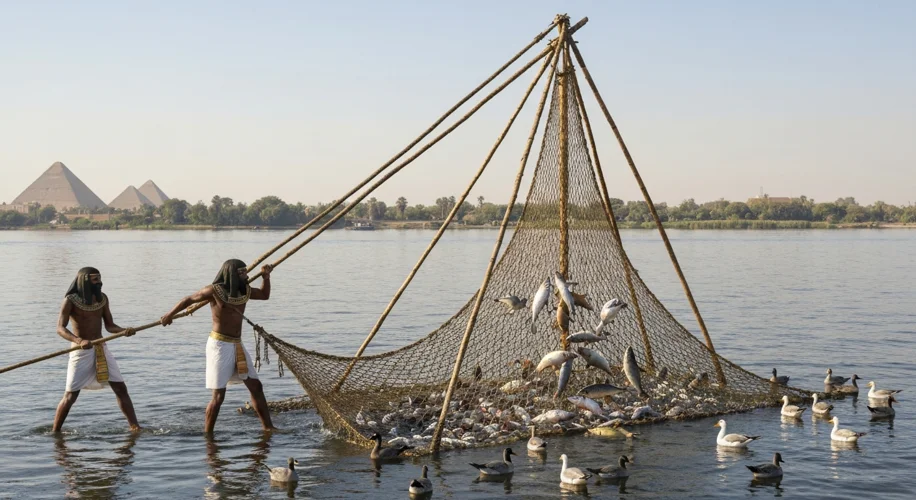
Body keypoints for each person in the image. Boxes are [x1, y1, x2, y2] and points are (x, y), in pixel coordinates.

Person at [160, 259, 274, 433]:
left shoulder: (245, 291)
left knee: (256, 387)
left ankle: (268, 428)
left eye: (245, 272)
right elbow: (188, 299)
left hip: (237, 344)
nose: (247, 275)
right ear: (232, 275)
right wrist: (169, 315)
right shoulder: (215, 290)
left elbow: (265, 296)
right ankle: (208, 435)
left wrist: (266, 277)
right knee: (219, 396)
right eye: (242, 272)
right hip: (219, 346)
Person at [53, 267, 139, 432]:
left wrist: (123, 331)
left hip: (101, 347)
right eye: (95, 280)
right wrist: (79, 340)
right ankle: (55, 431)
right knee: (71, 394)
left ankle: (135, 426)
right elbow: (60, 328)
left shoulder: (102, 299)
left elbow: (110, 326)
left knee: (121, 388)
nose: (99, 282)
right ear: (85, 280)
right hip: (80, 351)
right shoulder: (70, 300)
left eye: (99, 279)